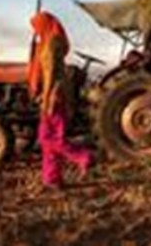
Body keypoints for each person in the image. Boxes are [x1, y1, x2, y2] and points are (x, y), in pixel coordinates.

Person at [28, 11, 92, 189]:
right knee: (51, 140)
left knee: (46, 138)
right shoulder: (54, 42)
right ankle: (52, 178)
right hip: (59, 95)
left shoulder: (51, 45)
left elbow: (50, 75)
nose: (36, 31)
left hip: (54, 98)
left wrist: (46, 98)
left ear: (44, 25)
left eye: (36, 27)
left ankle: (82, 156)